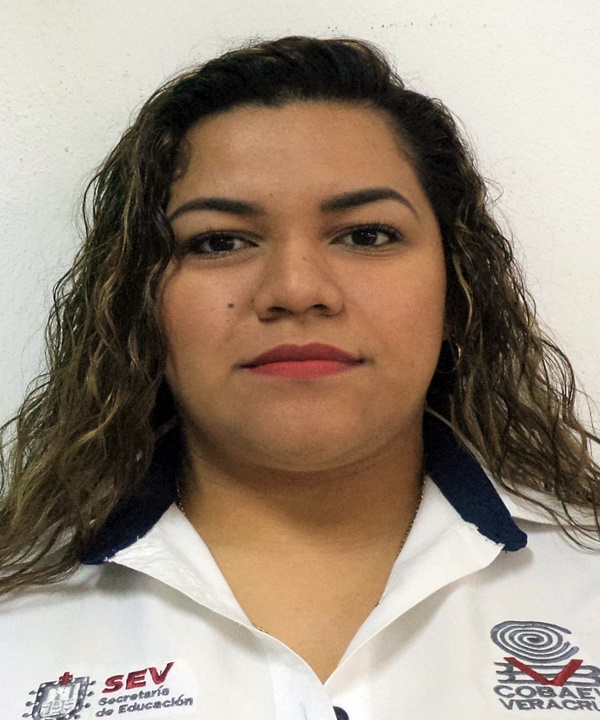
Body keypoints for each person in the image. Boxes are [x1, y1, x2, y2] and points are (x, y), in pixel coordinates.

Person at [0, 35, 599, 720]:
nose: (296, 289)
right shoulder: (16, 618)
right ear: (137, 303)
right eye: (219, 241)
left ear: (459, 288)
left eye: (366, 235)